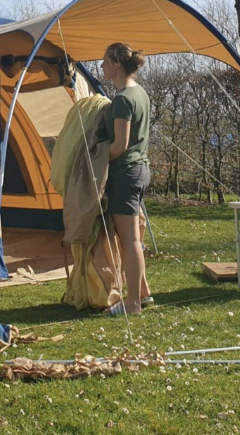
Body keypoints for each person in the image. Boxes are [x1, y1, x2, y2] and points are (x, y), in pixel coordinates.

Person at [98, 42, 152, 316]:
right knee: (130, 238)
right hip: (139, 170)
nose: (102, 66)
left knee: (130, 240)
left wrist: (92, 161)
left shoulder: (122, 100)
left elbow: (119, 145)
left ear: (117, 64)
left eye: (105, 61)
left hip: (126, 173)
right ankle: (143, 292)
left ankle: (132, 304)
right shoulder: (139, 93)